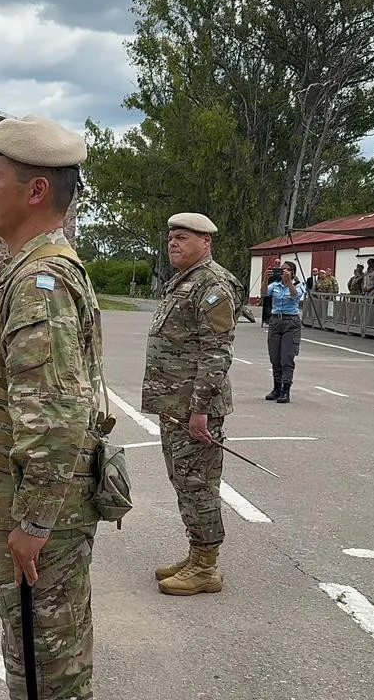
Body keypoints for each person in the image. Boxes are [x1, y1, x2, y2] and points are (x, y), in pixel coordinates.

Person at [0, 113, 103, 700]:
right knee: (39, 656)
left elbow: (58, 415)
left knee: (48, 669)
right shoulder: (38, 271)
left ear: (35, 190)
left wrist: (34, 521)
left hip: (40, 514)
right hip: (34, 507)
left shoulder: (40, 281)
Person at [143, 211, 241, 595]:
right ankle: (197, 553)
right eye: (171, 237)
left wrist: (200, 410)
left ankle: (206, 567)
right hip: (175, 403)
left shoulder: (212, 285)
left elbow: (216, 353)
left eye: (182, 237)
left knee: (198, 483)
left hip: (194, 408)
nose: (173, 244)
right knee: (184, 480)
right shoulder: (186, 281)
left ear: (206, 242)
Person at [265, 260, 305, 403]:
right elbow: (264, 293)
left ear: (293, 272)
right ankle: (276, 388)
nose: (284, 272)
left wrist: (289, 282)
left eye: (287, 270)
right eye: (282, 270)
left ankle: (285, 390)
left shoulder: (299, 285)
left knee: (286, 358)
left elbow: (295, 296)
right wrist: (265, 278)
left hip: (291, 322)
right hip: (276, 321)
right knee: (275, 357)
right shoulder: (275, 286)